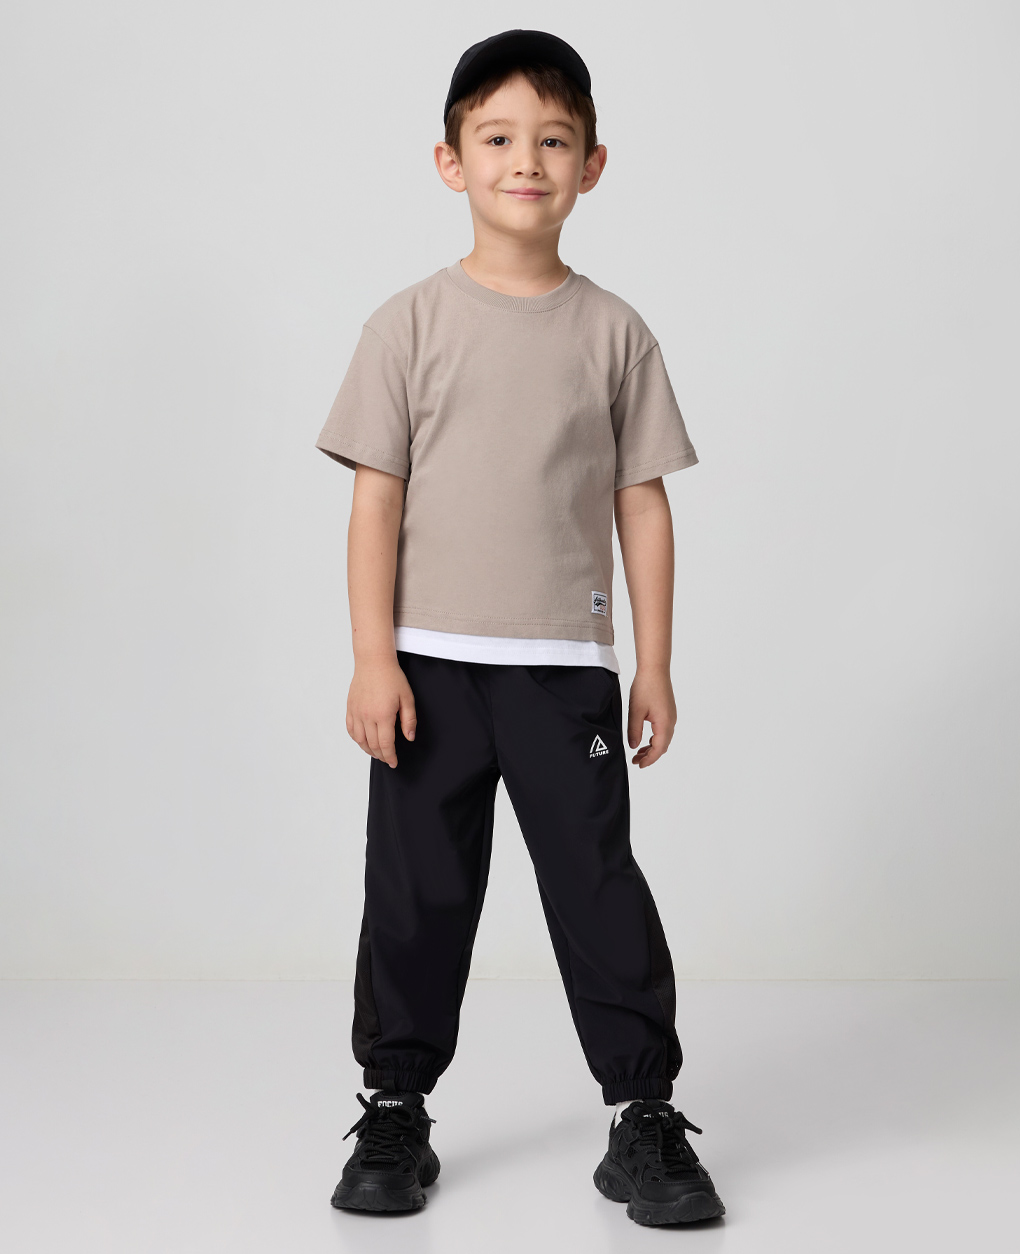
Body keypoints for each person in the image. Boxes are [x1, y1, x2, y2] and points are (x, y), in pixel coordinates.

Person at [314, 29, 726, 1228]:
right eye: (497, 138)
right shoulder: (407, 326)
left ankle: (641, 1118)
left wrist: (654, 663)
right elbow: (374, 500)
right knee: (417, 891)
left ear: (591, 164)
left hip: (562, 671)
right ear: (450, 161)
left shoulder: (614, 333)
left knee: (596, 887)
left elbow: (640, 502)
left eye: (553, 139)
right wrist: (372, 658)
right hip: (428, 668)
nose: (525, 161)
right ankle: (394, 1107)